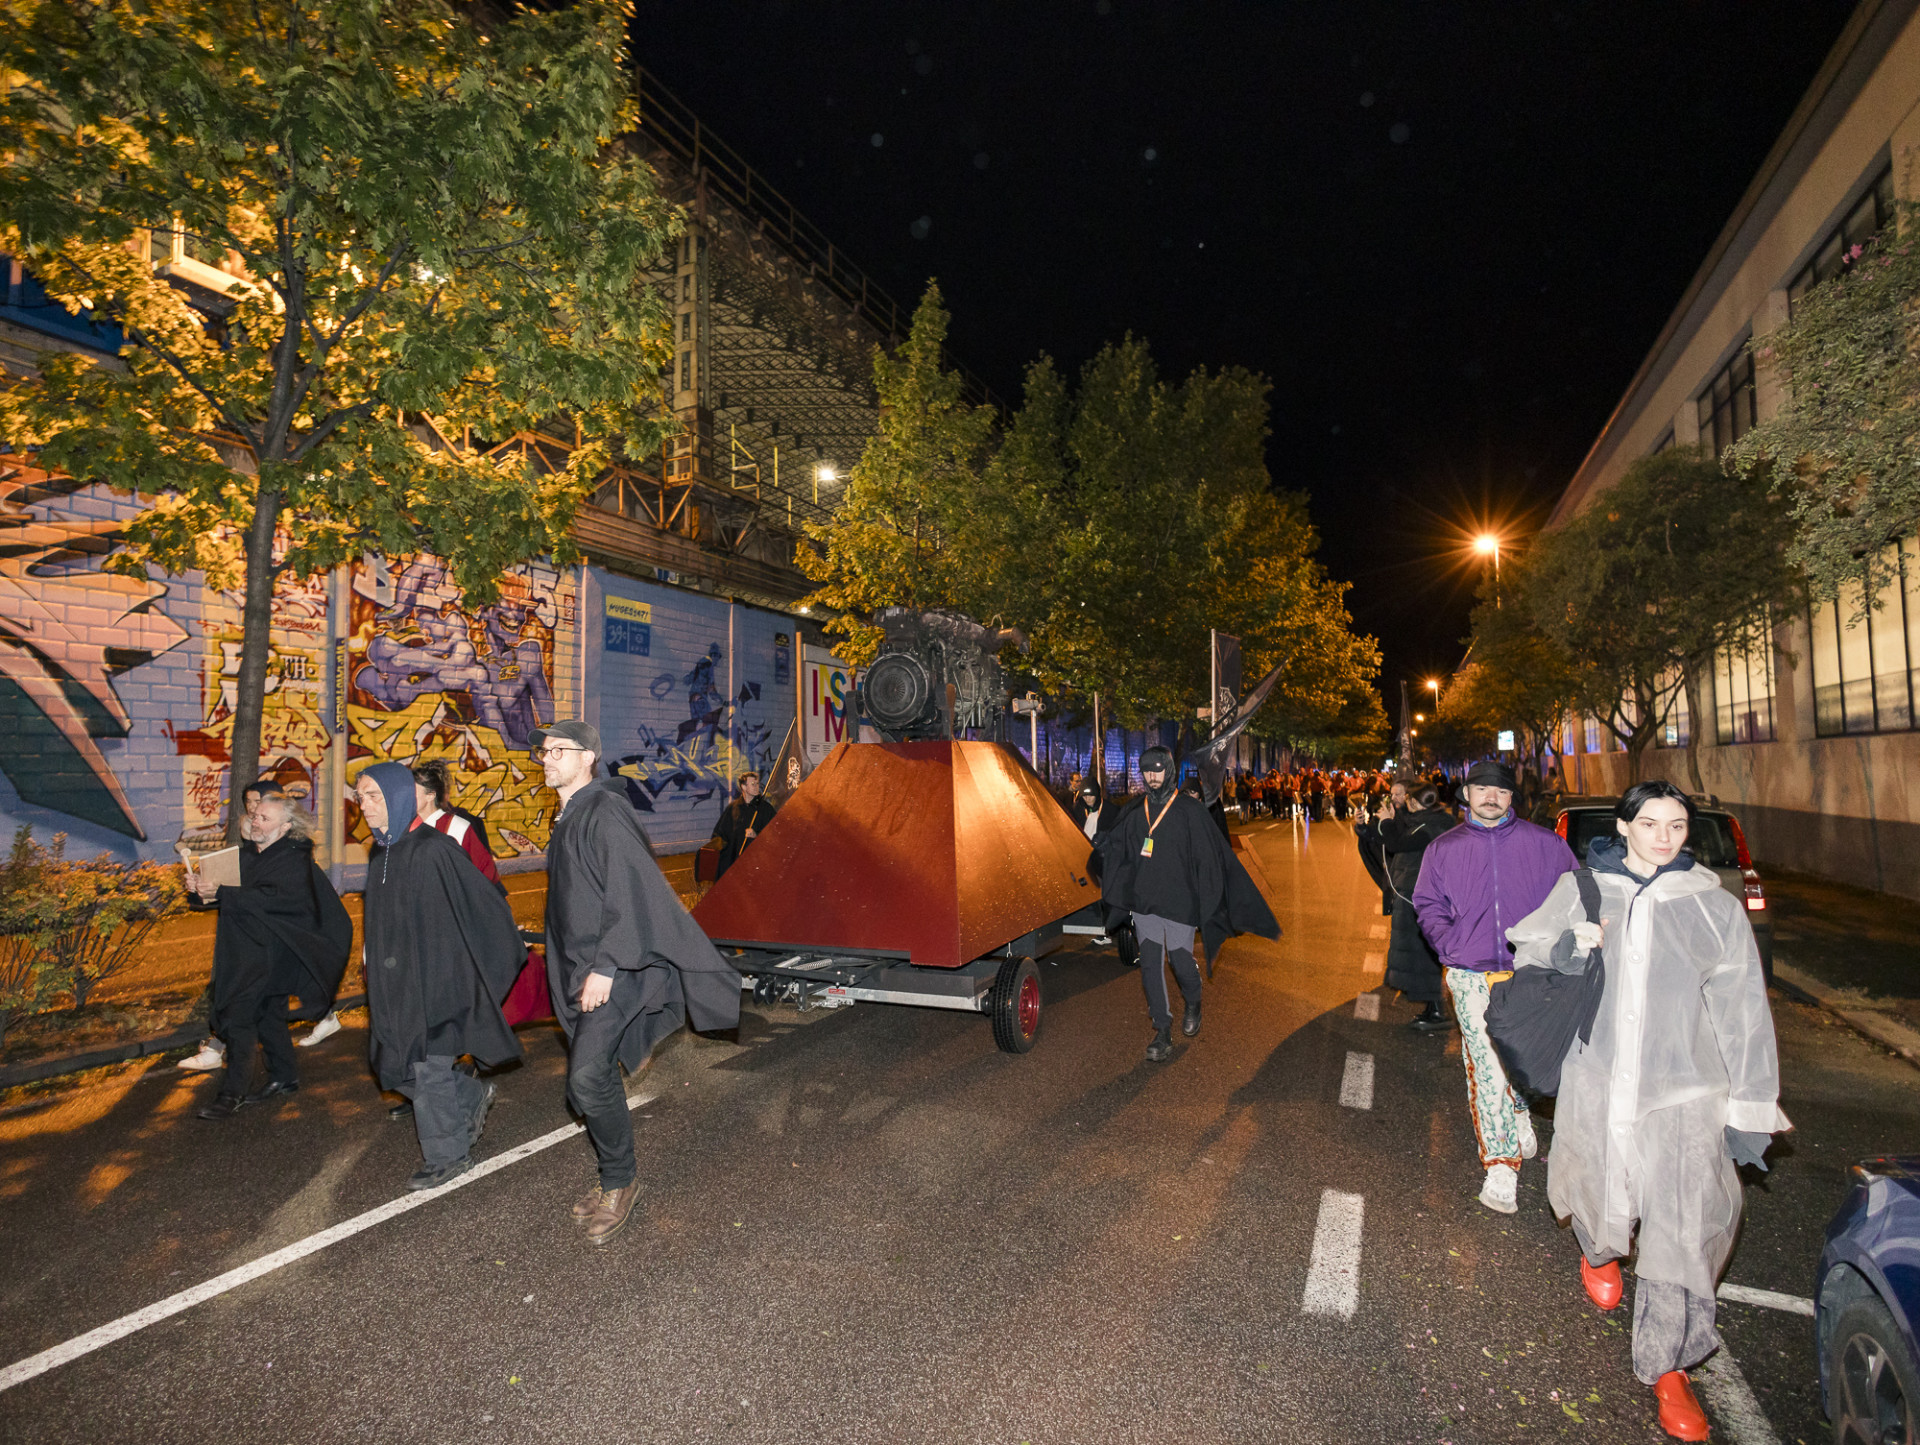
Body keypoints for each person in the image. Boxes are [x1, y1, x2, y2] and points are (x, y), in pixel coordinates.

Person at [1507, 781, 1787, 1441]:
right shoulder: (1583, 889)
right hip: (1597, 1078)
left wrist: (1752, 1104)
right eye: (1651, 822)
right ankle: (1598, 1247)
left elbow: (1743, 1008)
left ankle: (1671, 1365)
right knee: (1594, 1183)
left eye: (1677, 825)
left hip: (1685, 1092)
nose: (1664, 836)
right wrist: (1570, 947)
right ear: (1624, 826)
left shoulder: (1711, 905)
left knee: (1687, 1226)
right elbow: (1530, 948)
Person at [534, 721, 742, 1245]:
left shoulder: (604, 811)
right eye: (544, 751)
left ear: (588, 757)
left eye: (559, 750)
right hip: (581, 967)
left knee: (586, 1078)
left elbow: (631, 891)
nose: (547, 758)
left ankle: (621, 1182)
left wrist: (606, 965)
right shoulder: (570, 814)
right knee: (595, 1074)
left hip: (616, 967)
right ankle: (614, 1173)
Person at [1411, 758, 1576, 1213]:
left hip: (1530, 972)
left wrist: (1555, 950)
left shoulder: (1547, 845)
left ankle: (1519, 1110)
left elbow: (1575, 900)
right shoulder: (1443, 849)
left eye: (1501, 791)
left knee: (1521, 1059)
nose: (1491, 797)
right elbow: (1427, 903)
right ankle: (1501, 1164)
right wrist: (1450, 944)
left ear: (1511, 798)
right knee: (1487, 1066)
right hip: (1469, 973)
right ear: (1466, 794)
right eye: (1482, 789)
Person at [357, 762, 527, 1189]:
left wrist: (468, 968)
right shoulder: (381, 852)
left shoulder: (434, 849)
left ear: (397, 797)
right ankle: (469, 1093)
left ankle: (448, 1156)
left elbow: (484, 904)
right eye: (360, 797)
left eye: (374, 796)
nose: (364, 805)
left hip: (435, 981)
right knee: (392, 1066)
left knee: (427, 1066)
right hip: (395, 984)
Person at [1093, 745, 1279, 1062]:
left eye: (1157, 770)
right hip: (1144, 902)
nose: (1151, 776)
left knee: (1180, 962)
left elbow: (1211, 857)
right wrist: (1105, 846)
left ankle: (1193, 1000)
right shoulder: (1136, 810)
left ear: (1168, 770)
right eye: (1146, 771)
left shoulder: (1189, 811)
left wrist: (1211, 897)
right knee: (1150, 965)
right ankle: (1162, 1030)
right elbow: (1122, 848)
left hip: (1180, 903)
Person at [191, 784, 352, 1119]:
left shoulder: (294, 860)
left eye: (265, 818)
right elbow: (220, 896)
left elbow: (271, 899)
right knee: (268, 1015)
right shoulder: (246, 856)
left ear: (285, 827)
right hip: (243, 953)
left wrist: (222, 892)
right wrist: (199, 890)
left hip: (271, 957)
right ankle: (285, 1076)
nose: (256, 821)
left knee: (239, 1020)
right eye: (255, 816)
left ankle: (231, 1093)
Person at [1381, 785, 1455, 1031]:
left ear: (1417, 802)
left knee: (1423, 954)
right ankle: (1433, 1008)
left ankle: (1438, 1011)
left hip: (1419, 898)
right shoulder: (1430, 821)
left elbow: (1397, 843)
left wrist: (1386, 822)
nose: (1405, 802)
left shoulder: (1430, 828)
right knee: (1421, 953)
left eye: (1408, 799)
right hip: (1417, 895)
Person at [713, 771, 776, 880]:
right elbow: (721, 834)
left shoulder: (765, 809)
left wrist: (757, 835)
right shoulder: (733, 808)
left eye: (757, 784)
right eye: (753, 784)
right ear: (743, 787)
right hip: (735, 864)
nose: (756, 787)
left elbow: (775, 833)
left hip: (756, 865)